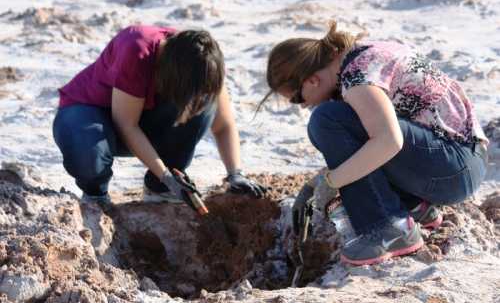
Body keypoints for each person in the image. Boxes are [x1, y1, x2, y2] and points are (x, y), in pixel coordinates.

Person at [260, 20, 489, 266]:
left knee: (326, 120)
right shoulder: (364, 53)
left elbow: (389, 141)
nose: (304, 105)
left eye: (297, 98)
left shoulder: (356, 78)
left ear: (311, 80)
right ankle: (412, 205)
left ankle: (389, 229)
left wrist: (332, 181)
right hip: (462, 160)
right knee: (347, 120)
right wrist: (319, 180)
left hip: (453, 168)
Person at [53, 25, 266, 206]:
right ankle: (96, 195)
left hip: (140, 119)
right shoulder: (137, 50)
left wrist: (235, 174)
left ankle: (158, 191)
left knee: (204, 104)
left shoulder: (202, 62)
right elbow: (126, 125)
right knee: (88, 152)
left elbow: (223, 126)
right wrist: (166, 175)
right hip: (91, 114)